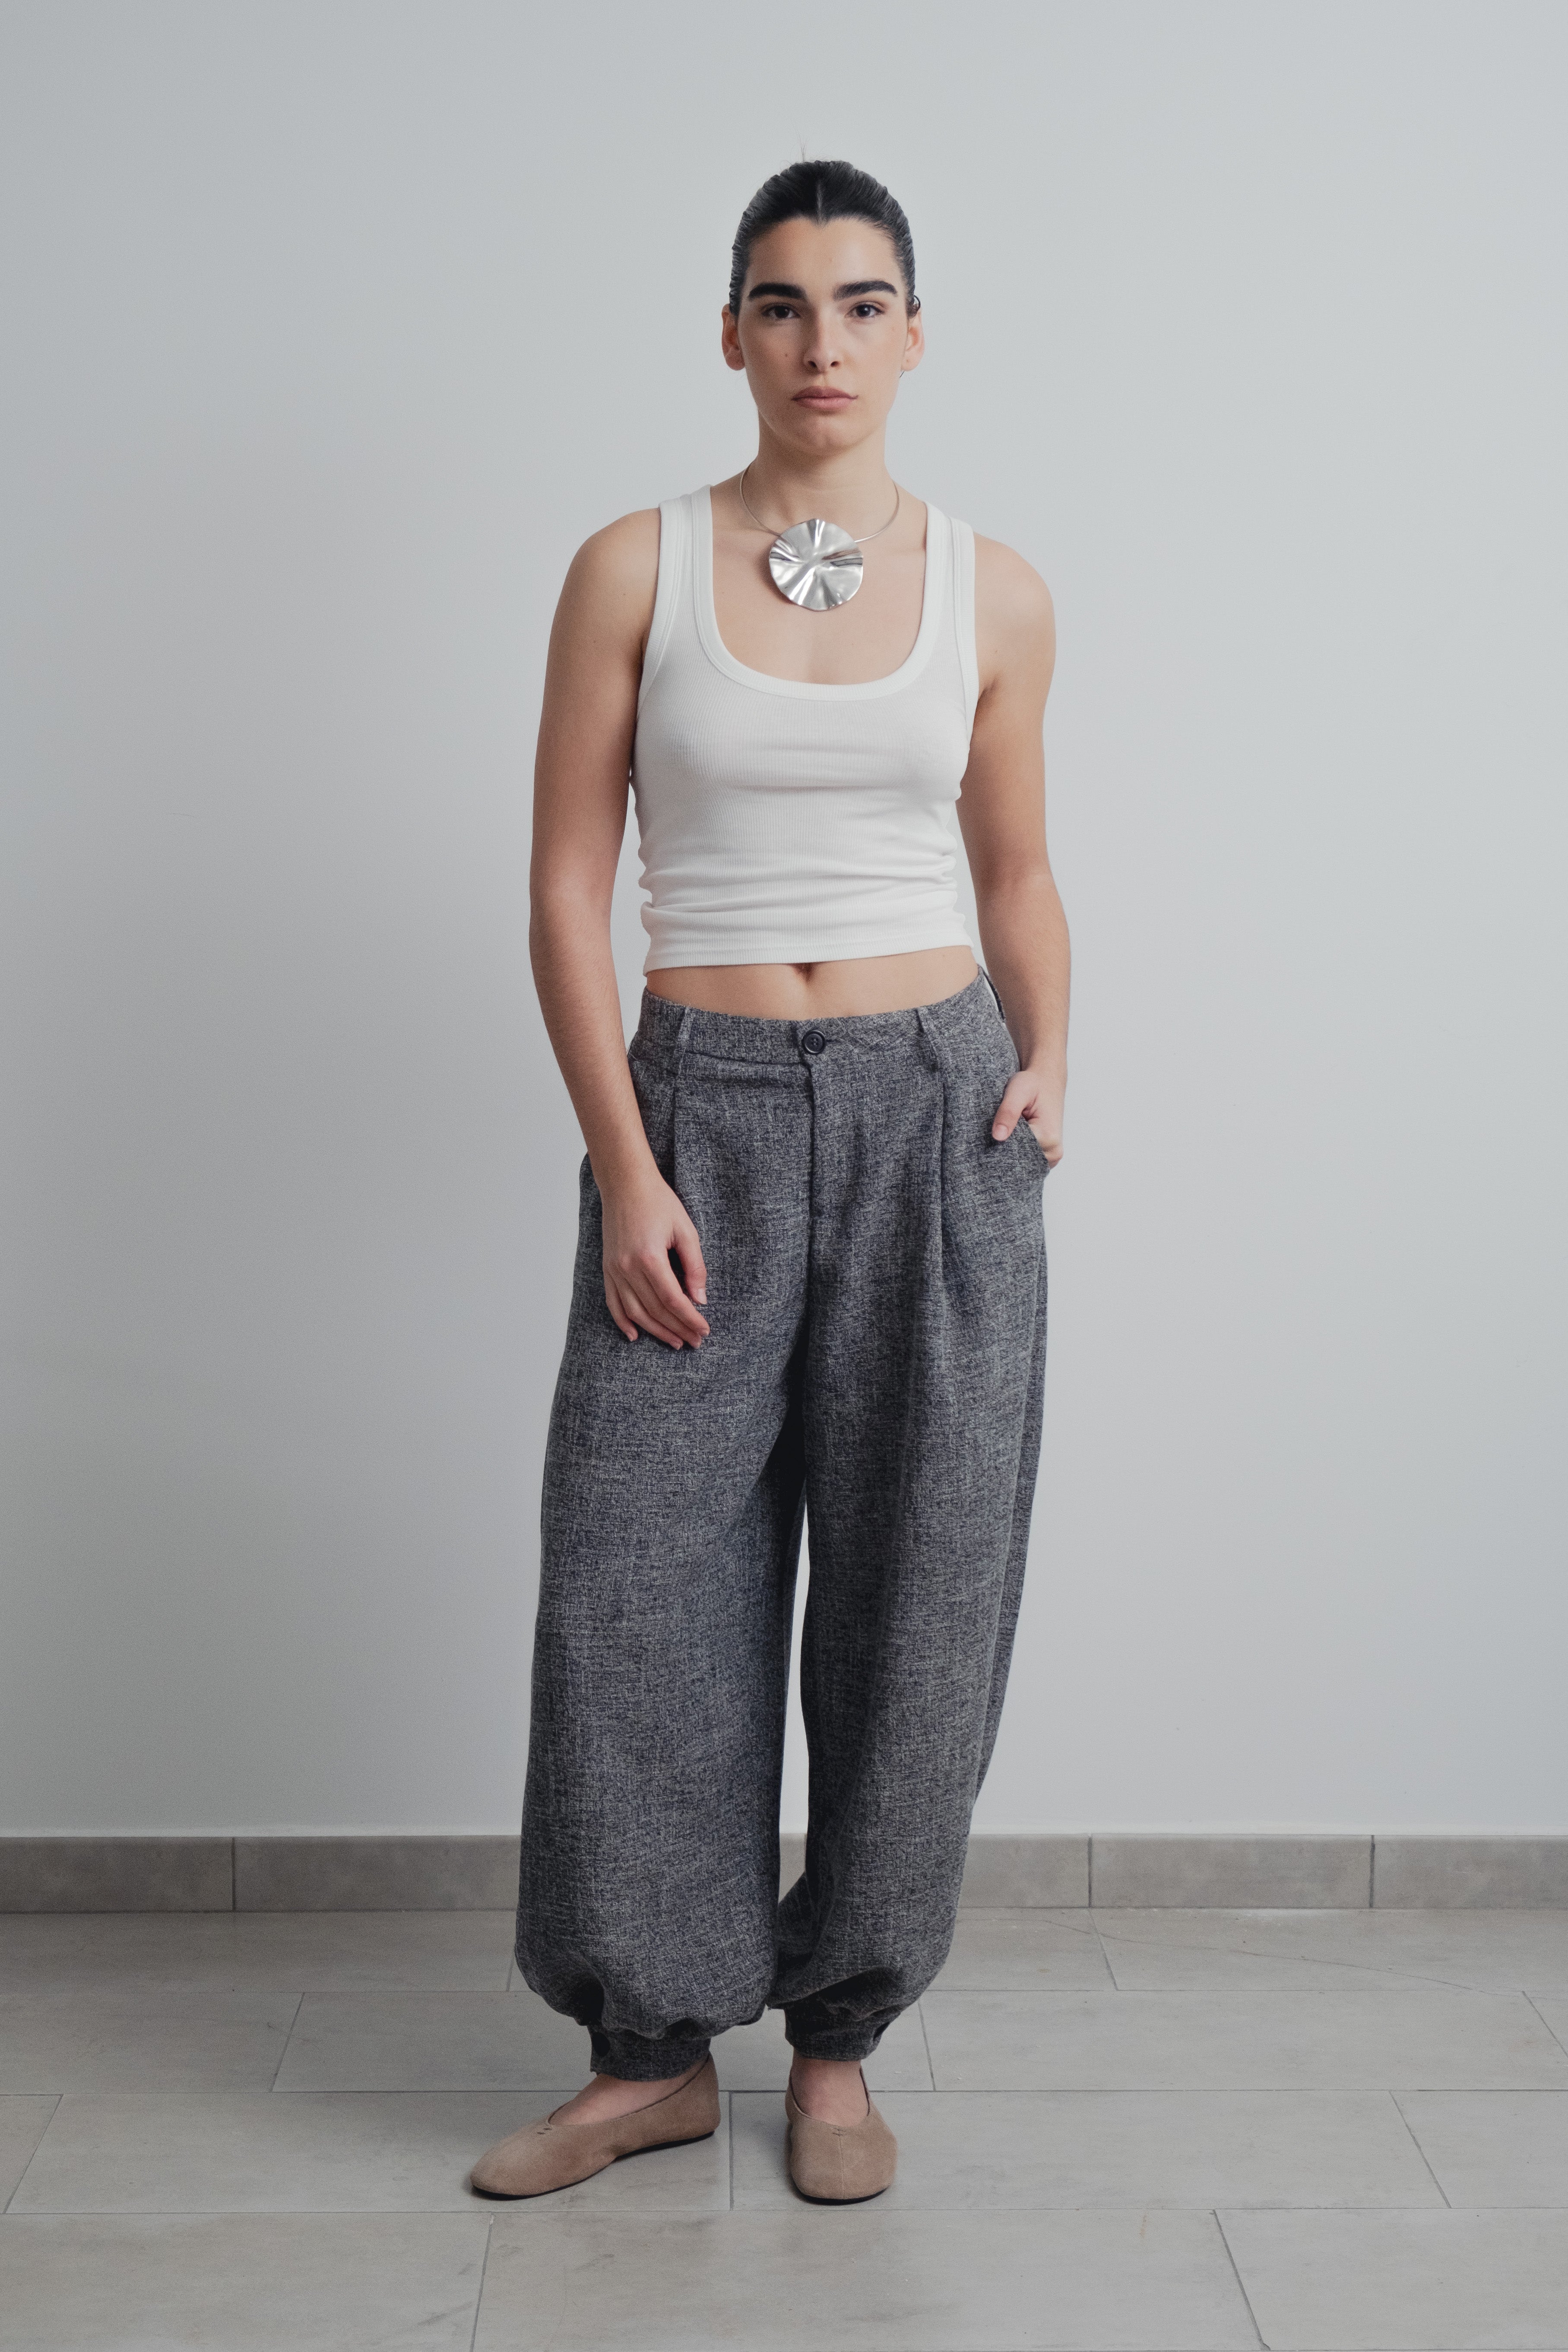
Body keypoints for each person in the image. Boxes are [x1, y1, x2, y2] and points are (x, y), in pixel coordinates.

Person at [471, 159, 1067, 2205]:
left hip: (935, 1110)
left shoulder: (993, 589)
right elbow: (564, 885)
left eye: (862, 303)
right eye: (785, 303)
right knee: (632, 1583)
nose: (825, 342)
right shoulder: (628, 567)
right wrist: (623, 1159)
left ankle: (837, 2048)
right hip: (697, 1111)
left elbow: (1013, 868)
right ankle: (648, 2052)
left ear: (914, 335)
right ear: (728, 333)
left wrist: (1048, 1056)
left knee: (921, 1592)